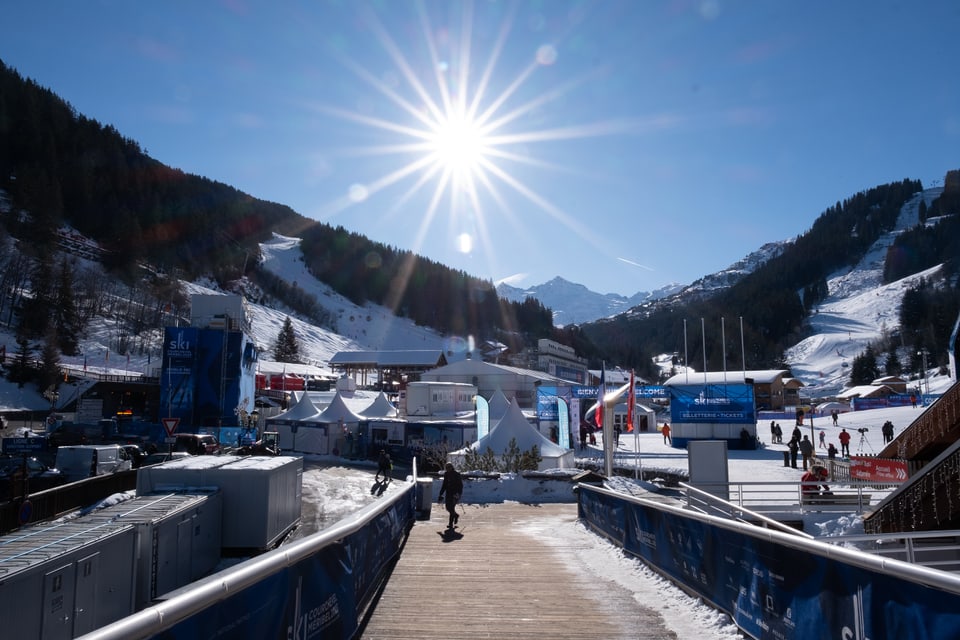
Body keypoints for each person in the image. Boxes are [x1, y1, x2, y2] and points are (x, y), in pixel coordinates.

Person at [437, 462, 464, 530]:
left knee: (451, 507)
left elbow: (460, 485)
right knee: (447, 507)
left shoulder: (456, 474)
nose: (448, 469)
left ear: (452, 467)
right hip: (448, 493)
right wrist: (441, 493)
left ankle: (450, 523)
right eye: (446, 468)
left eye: (449, 467)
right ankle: (456, 515)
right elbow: (444, 484)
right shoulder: (446, 474)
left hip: (455, 493)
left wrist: (458, 493)